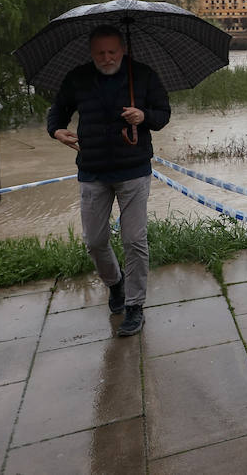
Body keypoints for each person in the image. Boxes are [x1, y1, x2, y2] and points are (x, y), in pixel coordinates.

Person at [48, 24, 170, 336]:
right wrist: (56, 130)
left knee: (134, 240)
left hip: (133, 171)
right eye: (100, 53)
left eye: (112, 52)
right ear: (91, 53)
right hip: (92, 170)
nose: (106, 58)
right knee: (95, 241)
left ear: (122, 50)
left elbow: (163, 114)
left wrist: (144, 116)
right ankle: (115, 284)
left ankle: (134, 305)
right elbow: (58, 111)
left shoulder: (142, 75)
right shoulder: (77, 77)